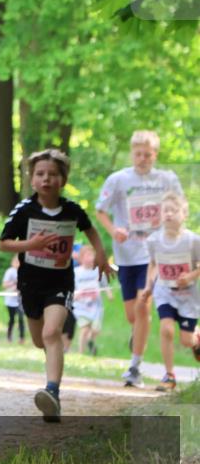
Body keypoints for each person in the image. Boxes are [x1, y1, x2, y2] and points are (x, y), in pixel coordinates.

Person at [0, 149, 113, 422]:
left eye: (52, 174)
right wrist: (31, 245)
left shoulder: (72, 211)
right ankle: (52, 387)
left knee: (53, 334)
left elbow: (91, 231)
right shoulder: (24, 211)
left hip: (60, 283)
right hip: (29, 284)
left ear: (63, 179)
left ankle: (52, 393)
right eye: (40, 174)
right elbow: (3, 243)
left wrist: (100, 255)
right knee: (40, 340)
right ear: (32, 179)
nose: (46, 179)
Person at [94, 130, 183, 386]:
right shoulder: (118, 180)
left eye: (147, 154)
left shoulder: (166, 179)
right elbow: (101, 211)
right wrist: (114, 231)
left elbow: (180, 207)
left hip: (155, 253)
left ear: (155, 154)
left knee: (143, 306)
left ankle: (134, 368)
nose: (142, 158)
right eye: (138, 154)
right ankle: (139, 334)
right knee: (133, 314)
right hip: (126, 254)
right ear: (132, 153)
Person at [143, 192, 200, 391]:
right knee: (166, 329)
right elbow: (153, 265)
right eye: (165, 210)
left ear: (184, 214)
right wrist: (148, 287)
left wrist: (190, 276)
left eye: (173, 211)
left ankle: (196, 337)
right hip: (164, 292)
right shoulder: (153, 241)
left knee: (186, 341)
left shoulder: (193, 241)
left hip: (188, 297)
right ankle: (169, 375)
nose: (168, 214)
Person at [72, 244, 112, 355]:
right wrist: (74, 296)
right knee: (84, 329)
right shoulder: (76, 272)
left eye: (92, 255)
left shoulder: (97, 270)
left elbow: (104, 284)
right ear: (81, 258)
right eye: (87, 255)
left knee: (96, 329)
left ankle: (90, 341)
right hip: (81, 305)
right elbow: (72, 287)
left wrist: (109, 293)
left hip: (96, 306)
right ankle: (81, 352)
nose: (90, 258)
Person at [2, 255, 24, 343]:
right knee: (11, 319)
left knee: (21, 318)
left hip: (20, 300)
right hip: (10, 300)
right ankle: (9, 336)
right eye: (16, 262)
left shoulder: (24, 272)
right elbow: (4, 285)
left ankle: (21, 338)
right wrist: (14, 283)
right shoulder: (9, 272)